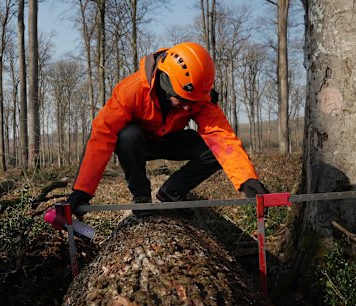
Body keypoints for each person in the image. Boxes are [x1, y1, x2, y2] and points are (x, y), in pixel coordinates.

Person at [67, 42, 269, 217]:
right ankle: (141, 196)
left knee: (214, 151)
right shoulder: (131, 91)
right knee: (127, 136)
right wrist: (83, 191)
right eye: (182, 100)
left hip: (170, 140)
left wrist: (247, 179)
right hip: (138, 144)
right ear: (167, 84)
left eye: (193, 102)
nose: (189, 108)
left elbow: (221, 136)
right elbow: (102, 135)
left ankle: (172, 190)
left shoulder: (198, 95)